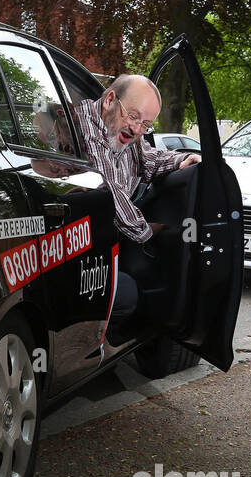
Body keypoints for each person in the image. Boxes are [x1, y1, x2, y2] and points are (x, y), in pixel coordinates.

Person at [71, 74, 200, 334]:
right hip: (70, 253)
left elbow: (148, 159)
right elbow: (110, 192)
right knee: (129, 292)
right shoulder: (83, 126)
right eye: (133, 116)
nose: (137, 130)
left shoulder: (126, 134)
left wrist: (181, 161)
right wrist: (158, 231)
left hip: (97, 246)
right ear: (109, 100)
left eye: (146, 124)